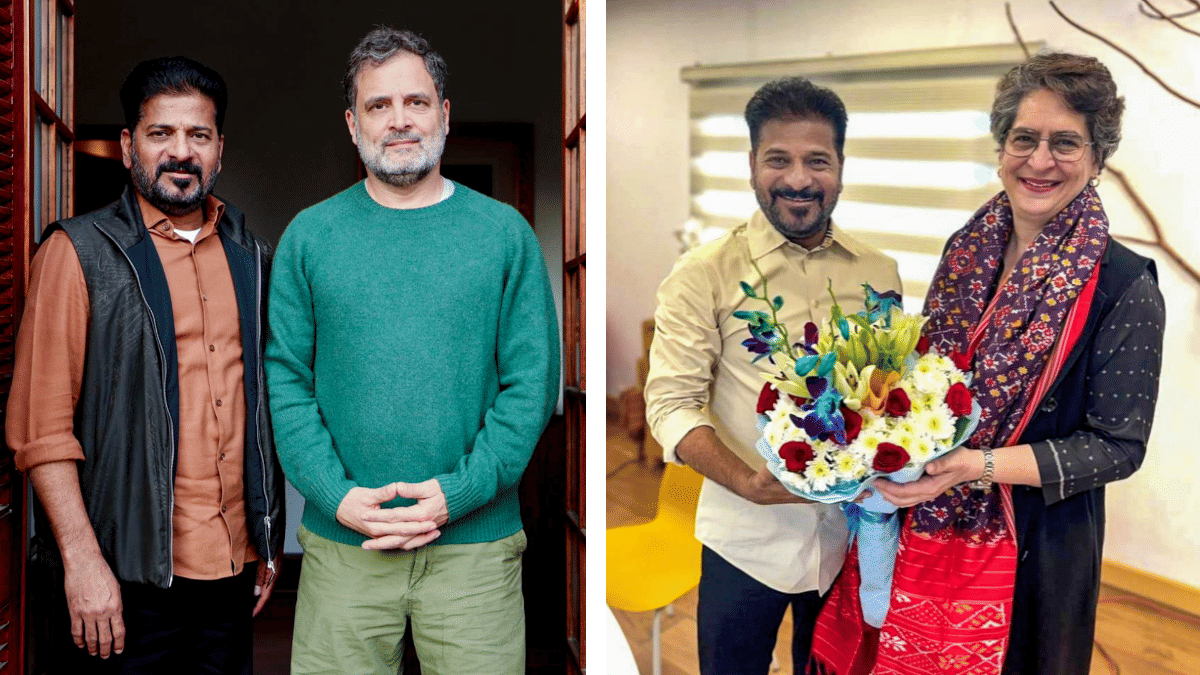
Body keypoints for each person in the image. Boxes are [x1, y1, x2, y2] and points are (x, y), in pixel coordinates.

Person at [810, 52, 1165, 675]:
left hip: (1034, 542)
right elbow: (929, 381)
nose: (1039, 160)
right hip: (924, 510)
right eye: (1024, 138)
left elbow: (1117, 447)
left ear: (1097, 157)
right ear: (1001, 145)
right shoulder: (966, 250)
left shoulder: (1125, 285)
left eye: (1066, 143)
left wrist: (975, 465)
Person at [265, 26, 560, 675]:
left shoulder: (504, 236)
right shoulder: (309, 237)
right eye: (378, 105)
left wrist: (459, 492)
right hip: (344, 549)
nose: (399, 120)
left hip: (474, 550)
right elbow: (284, 379)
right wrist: (334, 494)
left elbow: (531, 384)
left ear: (444, 115)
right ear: (352, 123)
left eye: (416, 102)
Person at [6, 56, 284, 674]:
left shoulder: (250, 253)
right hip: (124, 578)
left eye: (199, 135)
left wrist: (265, 540)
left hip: (232, 571)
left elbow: (261, 403)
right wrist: (82, 562)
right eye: (161, 134)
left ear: (219, 151)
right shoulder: (76, 252)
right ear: (131, 144)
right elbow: (40, 432)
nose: (180, 152)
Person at [644, 77, 901, 675]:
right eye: (777, 159)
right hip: (745, 542)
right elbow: (671, 406)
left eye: (818, 160)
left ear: (841, 164)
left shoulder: (879, 271)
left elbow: (890, 393)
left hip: (849, 542)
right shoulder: (703, 273)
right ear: (752, 164)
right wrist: (745, 482)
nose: (798, 180)